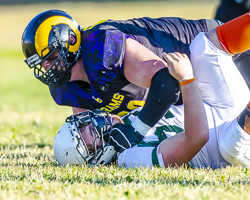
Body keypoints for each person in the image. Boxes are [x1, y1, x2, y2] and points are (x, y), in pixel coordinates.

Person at [53, 12, 250, 169]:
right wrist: (187, 80)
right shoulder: (130, 158)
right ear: (95, 158)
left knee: (202, 46)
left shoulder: (123, 126)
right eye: (88, 134)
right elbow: (196, 138)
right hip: (225, 141)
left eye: (84, 123)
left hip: (217, 106)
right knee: (231, 147)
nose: (94, 122)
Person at [21, 9, 223, 140]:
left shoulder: (101, 49)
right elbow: (96, 137)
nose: (47, 67)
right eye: (40, 63)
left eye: (50, 56)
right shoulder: (65, 89)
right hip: (197, 92)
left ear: (70, 40)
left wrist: (137, 130)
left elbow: (168, 82)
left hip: (210, 48)